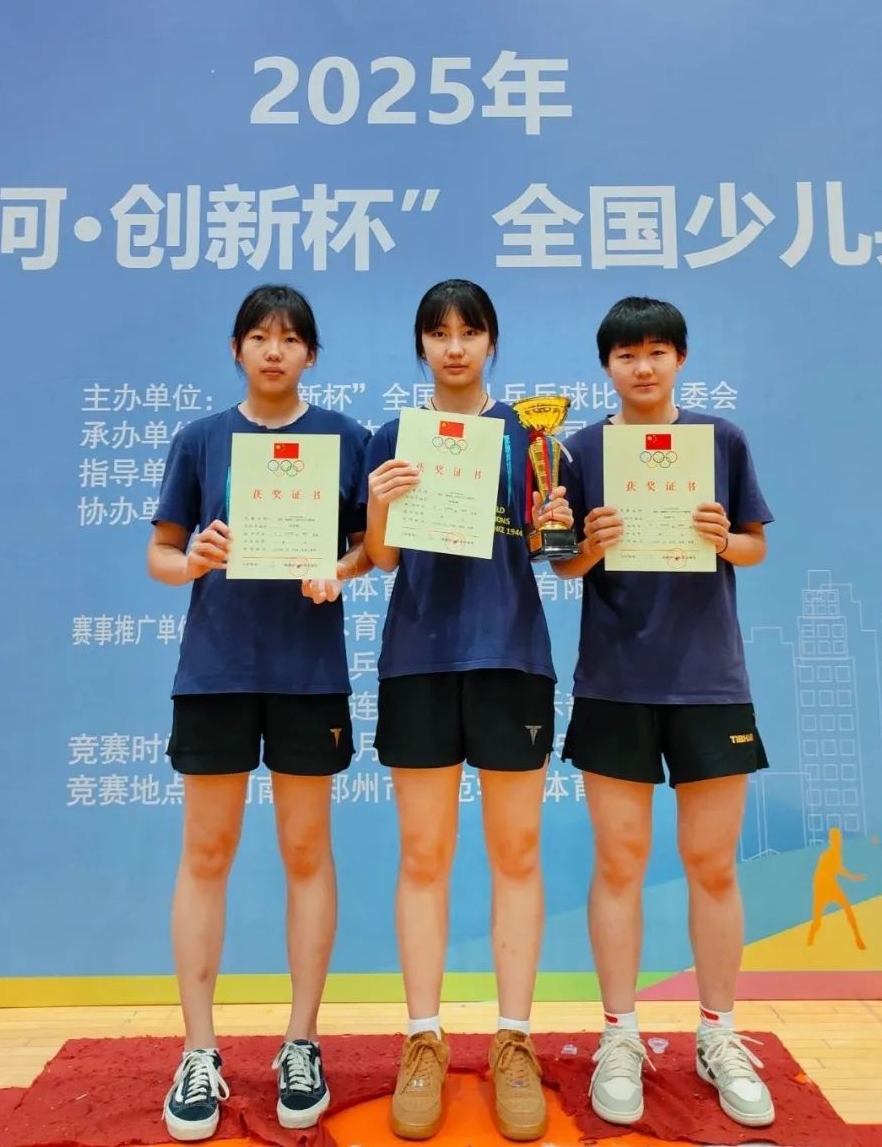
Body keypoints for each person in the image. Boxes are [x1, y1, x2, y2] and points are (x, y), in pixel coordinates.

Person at [148, 285, 371, 1142]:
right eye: (258, 337)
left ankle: (301, 1041)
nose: (273, 351)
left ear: (311, 353)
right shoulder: (201, 440)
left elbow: (371, 545)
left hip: (308, 674)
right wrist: (194, 559)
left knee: (306, 852)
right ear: (237, 349)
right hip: (216, 673)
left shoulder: (346, 439)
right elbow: (161, 553)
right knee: (206, 854)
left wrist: (341, 570)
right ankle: (198, 1051)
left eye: (289, 339)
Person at [552, 296, 776, 1130]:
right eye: (626, 354)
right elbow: (563, 566)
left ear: (681, 358)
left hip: (709, 682)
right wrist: (593, 544)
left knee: (712, 866)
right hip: (614, 680)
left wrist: (722, 537)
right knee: (619, 864)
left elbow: (754, 544)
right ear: (606, 366)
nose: (642, 366)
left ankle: (718, 1033)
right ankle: (619, 1036)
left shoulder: (721, 441)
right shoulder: (579, 451)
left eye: (656, 351)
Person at [364, 279, 572, 1142]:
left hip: (512, 658)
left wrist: (556, 518)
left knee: (515, 852)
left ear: (492, 342)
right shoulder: (393, 437)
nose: (454, 347)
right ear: (421, 345)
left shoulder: (532, 438)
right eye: (438, 333)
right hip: (419, 659)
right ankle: (424, 1039)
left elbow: (555, 553)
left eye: (470, 331)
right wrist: (382, 498)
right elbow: (381, 559)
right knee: (424, 854)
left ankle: (514, 1040)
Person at [807, 828, 867, 950]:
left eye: (839, 839)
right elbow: (820, 875)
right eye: (835, 840)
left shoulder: (837, 854)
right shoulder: (827, 855)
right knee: (817, 923)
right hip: (822, 889)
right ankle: (811, 934)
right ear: (831, 841)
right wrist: (823, 890)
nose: (838, 842)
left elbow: (839, 869)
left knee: (848, 909)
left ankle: (858, 938)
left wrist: (854, 877)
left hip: (832, 886)